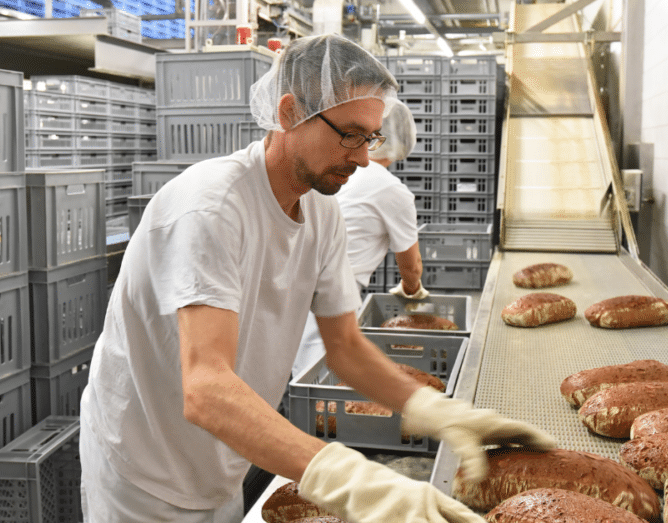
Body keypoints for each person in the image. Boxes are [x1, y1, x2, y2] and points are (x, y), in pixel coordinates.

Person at [79, 34, 555, 523]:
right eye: (350, 134)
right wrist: (348, 478)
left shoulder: (320, 211)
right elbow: (205, 388)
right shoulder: (211, 208)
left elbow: (344, 345)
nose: (364, 156)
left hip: (220, 463)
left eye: (370, 137)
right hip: (142, 477)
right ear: (288, 113)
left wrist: (433, 409)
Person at [292, 100, 428, 377]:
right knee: (322, 386)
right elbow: (411, 267)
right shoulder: (393, 191)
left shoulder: (335, 173)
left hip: (295, 285)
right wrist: (412, 292)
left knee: (302, 374)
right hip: (334, 294)